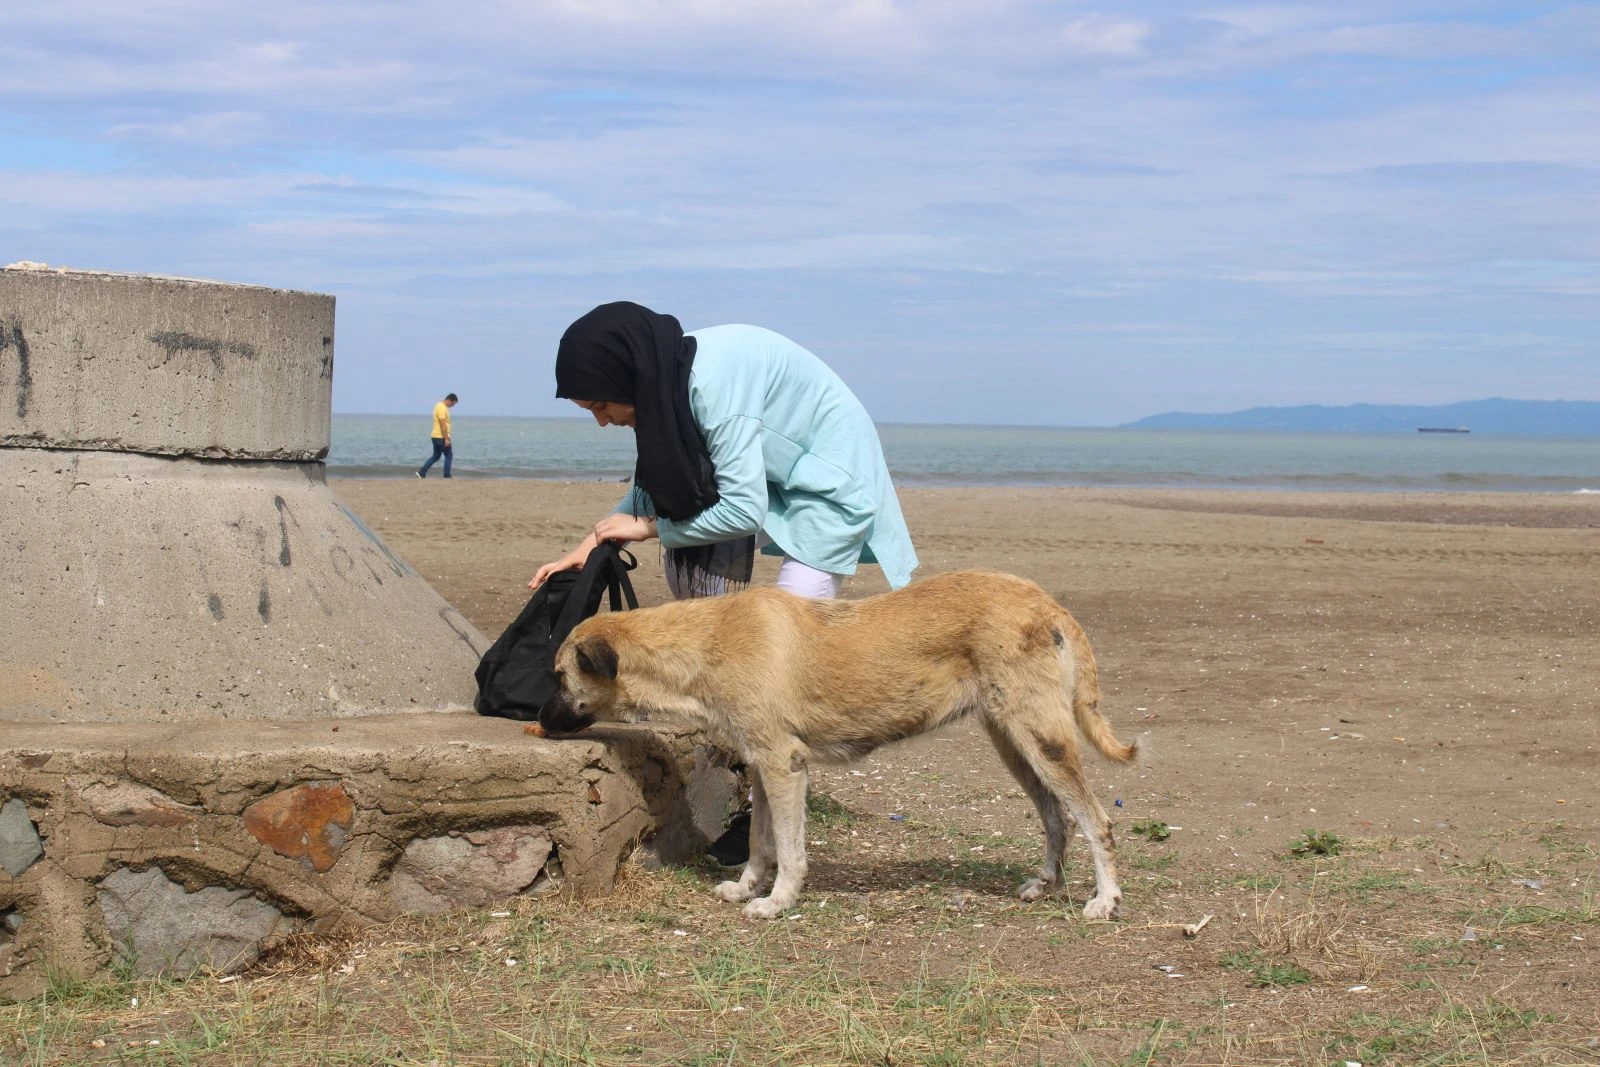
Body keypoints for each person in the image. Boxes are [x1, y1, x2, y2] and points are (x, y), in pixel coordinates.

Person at [529, 302, 917, 602]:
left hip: (831, 473)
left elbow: (743, 511)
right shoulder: (663, 377)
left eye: (600, 406)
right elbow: (650, 490)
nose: (602, 421)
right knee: (688, 577)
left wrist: (651, 529)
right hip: (772, 469)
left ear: (627, 377)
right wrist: (588, 546)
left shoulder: (711, 393)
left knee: (790, 621)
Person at [417, 393, 457, 478]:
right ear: (449, 400)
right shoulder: (442, 407)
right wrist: (446, 439)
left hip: (435, 436)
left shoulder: (439, 405)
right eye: (453, 404)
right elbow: (443, 423)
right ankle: (447, 475)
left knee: (436, 456)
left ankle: (421, 473)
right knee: (448, 455)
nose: (452, 406)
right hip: (441, 436)